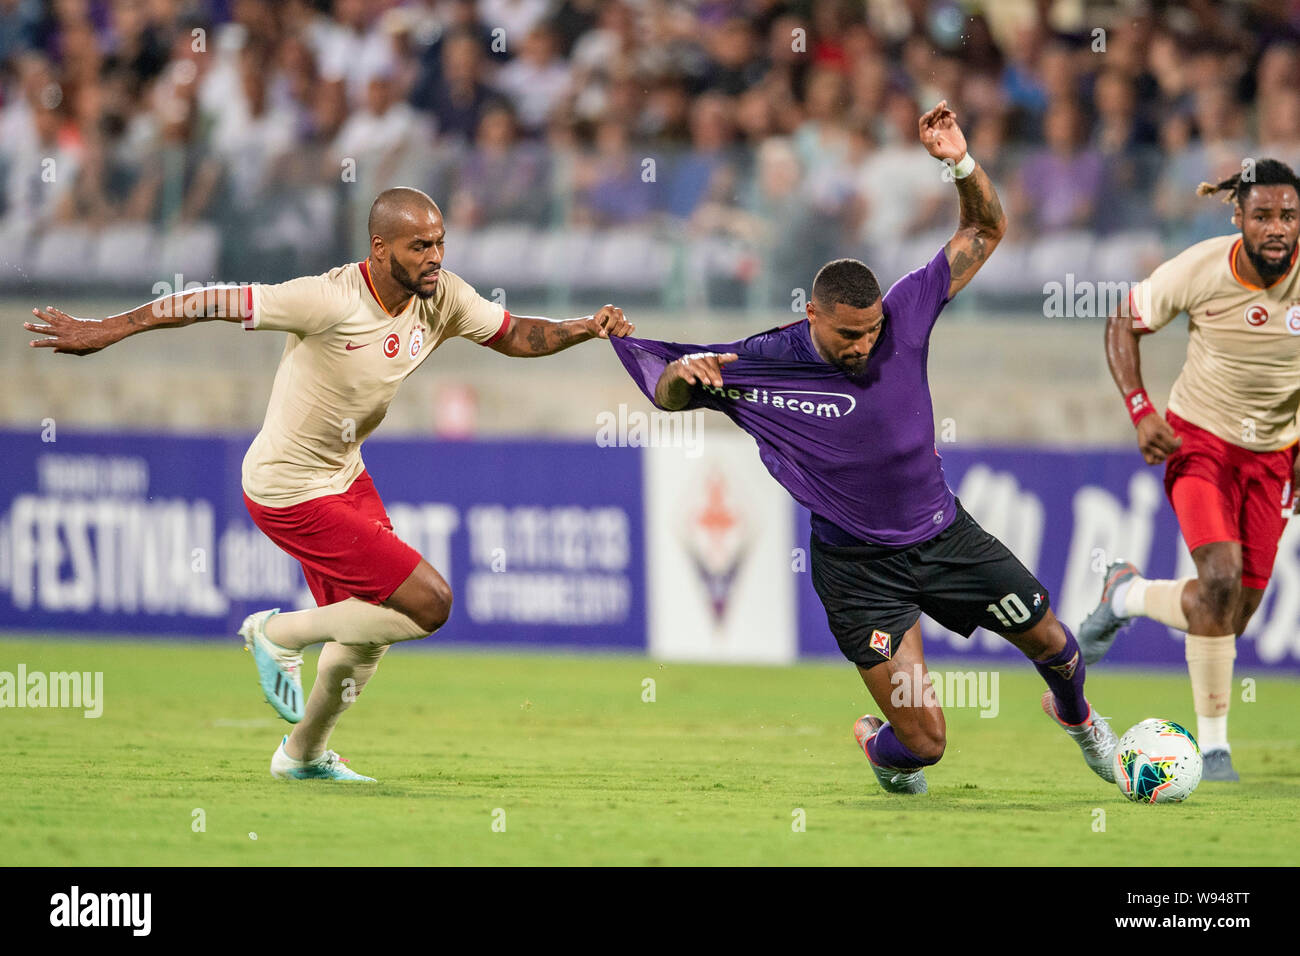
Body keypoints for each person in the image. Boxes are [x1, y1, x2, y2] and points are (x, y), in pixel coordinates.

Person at [24, 186, 633, 782]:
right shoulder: (326, 299)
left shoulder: (440, 296)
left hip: (344, 475)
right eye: (420, 245)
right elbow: (211, 301)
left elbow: (515, 335)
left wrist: (586, 326)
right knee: (429, 603)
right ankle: (277, 632)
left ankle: (302, 754)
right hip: (286, 488)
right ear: (379, 248)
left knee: (367, 631)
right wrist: (110, 329)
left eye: (440, 242)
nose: (435, 257)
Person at [610, 103, 1117, 794]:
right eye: (849, 335)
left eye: (872, 332)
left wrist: (959, 162)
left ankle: (1081, 721)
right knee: (927, 744)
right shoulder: (766, 361)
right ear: (811, 315)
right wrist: (679, 376)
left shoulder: (904, 313)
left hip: (944, 537)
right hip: (857, 572)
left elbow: (985, 228)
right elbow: (667, 394)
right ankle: (880, 752)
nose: (865, 345)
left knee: (1054, 642)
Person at [1078, 158, 1300, 782]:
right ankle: (1214, 750)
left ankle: (1126, 593)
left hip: (1275, 454)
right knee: (1221, 577)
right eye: (1263, 216)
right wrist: (1141, 409)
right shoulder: (1201, 268)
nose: (1277, 228)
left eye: (1288, 215)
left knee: (1232, 613)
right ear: (1239, 217)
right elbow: (1124, 320)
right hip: (1199, 441)